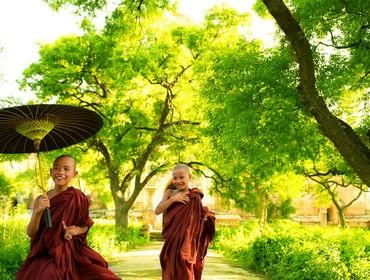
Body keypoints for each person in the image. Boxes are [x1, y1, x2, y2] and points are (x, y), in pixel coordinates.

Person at [16, 155, 120, 280]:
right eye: (56, 168)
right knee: (44, 274)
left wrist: (74, 230)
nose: (61, 172)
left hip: (71, 252)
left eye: (66, 169)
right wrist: (38, 211)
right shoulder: (40, 199)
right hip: (45, 252)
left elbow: (85, 225)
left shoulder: (78, 197)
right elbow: (31, 232)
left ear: (74, 174)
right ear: (51, 172)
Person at [155, 164, 216, 280]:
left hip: (187, 240)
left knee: (185, 263)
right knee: (169, 264)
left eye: (182, 177)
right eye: (175, 177)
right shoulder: (169, 193)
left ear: (189, 177)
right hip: (172, 239)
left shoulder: (194, 196)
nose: (178, 181)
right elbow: (158, 210)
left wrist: (206, 218)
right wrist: (174, 199)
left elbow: (197, 217)